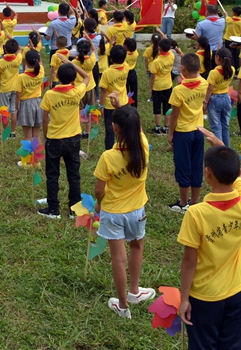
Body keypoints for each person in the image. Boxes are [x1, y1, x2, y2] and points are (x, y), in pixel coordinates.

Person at [178, 142, 241, 349]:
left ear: (207, 173)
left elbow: (189, 261)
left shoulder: (196, 213)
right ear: (238, 171)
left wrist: (184, 299)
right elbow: (240, 178)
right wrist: (222, 147)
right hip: (237, 289)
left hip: (205, 296)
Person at [94, 100, 154, 319]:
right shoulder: (144, 147)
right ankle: (135, 291)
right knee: (137, 247)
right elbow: (136, 129)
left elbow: (99, 190)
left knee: (118, 259)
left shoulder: (108, 157)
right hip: (137, 211)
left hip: (113, 213)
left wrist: (99, 204)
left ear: (114, 128)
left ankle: (122, 305)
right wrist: (123, 109)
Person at [39, 56, 91, 218]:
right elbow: (87, 77)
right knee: (74, 174)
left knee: (52, 175)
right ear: (73, 78)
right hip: (74, 139)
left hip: (54, 139)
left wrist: (46, 135)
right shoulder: (77, 92)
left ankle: (53, 209)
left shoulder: (49, 95)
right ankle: (74, 210)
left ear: (58, 77)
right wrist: (71, 64)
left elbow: (44, 119)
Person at [168, 54, 209, 213]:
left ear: (182, 69)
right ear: (199, 68)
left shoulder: (178, 90)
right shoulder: (204, 83)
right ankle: (194, 201)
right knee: (197, 165)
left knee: (183, 166)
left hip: (183, 133)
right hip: (199, 131)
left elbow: (175, 115)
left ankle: (183, 203)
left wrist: (171, 133)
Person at [99, 46, 129, 150]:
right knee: (124, 128)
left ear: (111, 58)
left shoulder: (107, 73)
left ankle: (109, 151)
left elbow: (103, 91)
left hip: (109, 105)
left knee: (110, 130)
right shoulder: (126, 67)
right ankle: (125, 148)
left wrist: (101, 105)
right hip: (123, 103)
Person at [205, 48, 235, 148]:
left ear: (218, 58)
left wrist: (205, 101)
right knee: (225, 126)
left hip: (214, 99)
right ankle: (227, 148)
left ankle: (219, 149)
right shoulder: (232, 69)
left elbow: (210, 89)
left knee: (216, 127)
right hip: (226, 98)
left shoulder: (214, 73)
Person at [14, 50, 45, 140]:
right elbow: (41, 64)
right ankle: (37, 153)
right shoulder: (41, 72)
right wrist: (38, 55)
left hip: (26, 105)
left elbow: (18, 95)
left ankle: (29, 154)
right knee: (37, 134)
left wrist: (16, 108)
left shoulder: (21, 77)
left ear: (26, 62)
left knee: (28, 135)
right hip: (38, 103)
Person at [148, 39, 174, 136]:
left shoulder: (156, 61)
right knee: (167, 107)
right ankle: (166, 128)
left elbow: (153, 76)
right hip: (168, 85)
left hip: (157, 87)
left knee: (157, 107)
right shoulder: (172, 56)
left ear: (159, 48)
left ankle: (157, 128)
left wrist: (150, 87)